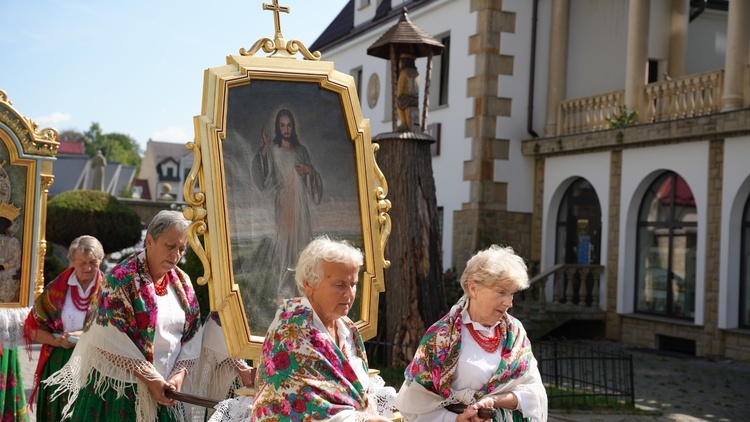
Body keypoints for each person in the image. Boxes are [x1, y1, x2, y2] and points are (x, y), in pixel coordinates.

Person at [44, 210, 202, 422]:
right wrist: (150, 377)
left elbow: (193, 332)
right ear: (149, 241)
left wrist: (179, 375)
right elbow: (107, 334)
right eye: (170, 246)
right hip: (120, 393)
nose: (176, 255)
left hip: (165, 392)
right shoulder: (121, 278)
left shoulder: (182, 282)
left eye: (182, 248)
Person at [395, 245, 547, 422]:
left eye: (512, 294)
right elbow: (416, 401)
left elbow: (534, 392)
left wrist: (493, 401)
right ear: (474, 288)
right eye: (501, 292)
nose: (509, 302)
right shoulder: (441, 336)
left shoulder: (516, 333)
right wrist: (458, 420)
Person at [251, 236, 394, 421]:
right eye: (339, 284)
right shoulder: (290, 332)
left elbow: (355, 392)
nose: (349, 294)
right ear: (309, 284)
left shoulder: (347, 328)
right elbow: (302, 408)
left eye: (353, 284)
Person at [23, 235, 105, 419]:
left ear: (101, 260)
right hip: (59, 361)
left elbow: (117, 329)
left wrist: (84, 335)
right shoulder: (55, 289)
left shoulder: (109, 291)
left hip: (94, 364)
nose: (88, 268)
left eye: (93, 262)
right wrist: (56, 341)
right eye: (82, 262)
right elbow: (31, 327)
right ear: (72, 262)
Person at [252, 108, 323, 300]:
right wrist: (265, 147)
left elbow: (314, 180)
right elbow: (263, 178)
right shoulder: (273, 151)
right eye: (282, 125)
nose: (286, 129)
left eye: (289, 125)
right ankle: (284, 295)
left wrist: (309, 170)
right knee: (286, 248)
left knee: (302, 245)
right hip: (284, 206)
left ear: (293, 127)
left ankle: (303, 291)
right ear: (278, 128)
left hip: (302, 208)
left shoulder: (301, 151)